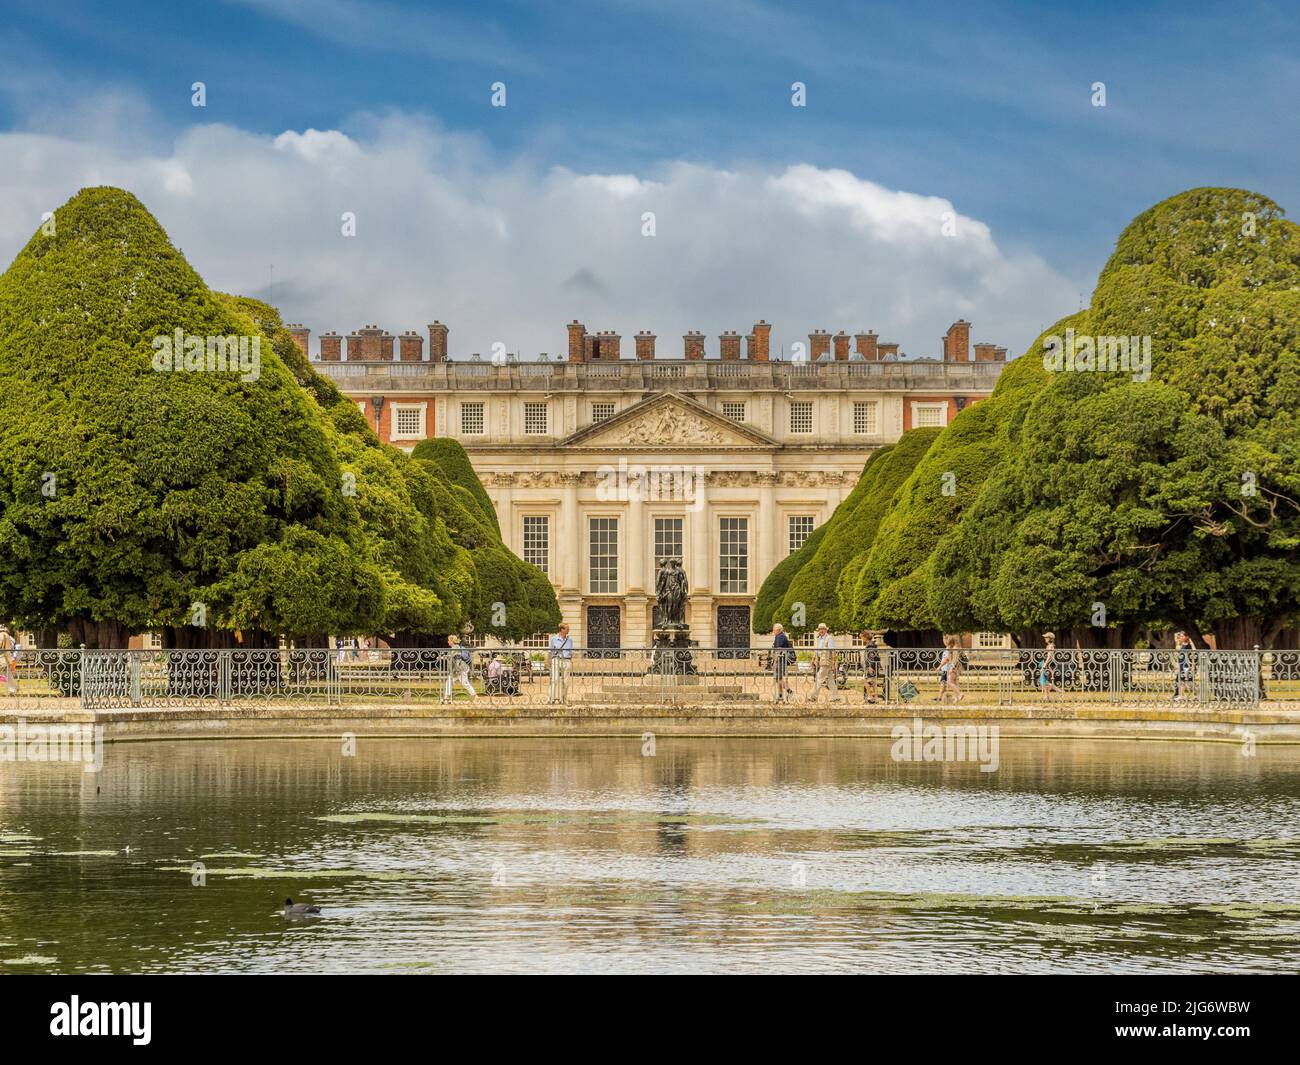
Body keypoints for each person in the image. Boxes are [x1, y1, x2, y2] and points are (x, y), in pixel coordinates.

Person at [810, 623, 842, 702]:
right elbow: (818, 650)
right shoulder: (820, 639)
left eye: (822, 629)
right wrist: (813, 659)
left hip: (826, 662)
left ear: (826, 630)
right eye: (820, 629)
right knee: (830, 680)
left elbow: (833, 651)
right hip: (822, 661)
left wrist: (833, 663)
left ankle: (813, 696)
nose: (821, 630)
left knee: (819, 677)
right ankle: (836, 697)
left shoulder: (829, 638)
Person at [442, 635, 477, 702]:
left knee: (464, 683)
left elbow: (457, 658)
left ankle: (474, 695)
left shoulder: (456, 647)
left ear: (452, 641)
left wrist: (457, 670)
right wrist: (443, 657)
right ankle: (447, 697)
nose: (448, 642)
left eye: (449, 640)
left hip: (460, 669)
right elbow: (452, 657)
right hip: (457, 669)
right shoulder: (454, 648)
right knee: (449, 682)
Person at [548, 623, 573, 704]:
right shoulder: (553, 639)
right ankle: (550, 699)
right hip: (556, 660)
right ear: (562, 630)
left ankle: (564, 699)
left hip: (567, 660)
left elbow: (570, 652)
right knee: (554, 680)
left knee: (566, 681)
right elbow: (550, 652)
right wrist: (549, 662)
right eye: (567, 629)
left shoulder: (570, 640)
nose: (568, 630)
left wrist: (570, 661)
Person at [771, 623, 795, 703]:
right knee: (779, 678)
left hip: (780, 660)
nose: (773, 631)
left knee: (778, 678)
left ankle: (789, 691)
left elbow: (779, 649)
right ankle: (780, 695)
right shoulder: (781, 636)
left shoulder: (780, 636)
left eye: (774, 629)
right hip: (782, 660)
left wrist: (775, 661)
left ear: (778, 630)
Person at [937, 635, 964, 703]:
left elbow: (954, 659)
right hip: (954, 668)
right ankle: (957, 697)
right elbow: (948, 659)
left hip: (952, 668)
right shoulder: (953, 648)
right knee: (954, 683)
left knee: (950, 682)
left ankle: (960, 694)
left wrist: (952, 668)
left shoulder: (953, 649)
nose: (944, 641)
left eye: (946, 640)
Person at [860, 631, 881, 704]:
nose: (861, 639)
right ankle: (876, 698)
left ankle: (870, 696)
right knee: (873, 681)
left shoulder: (870, 645)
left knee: (864, 680)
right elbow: (876, 657)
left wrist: (869, 667)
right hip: (873, 666)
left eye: (862, 637)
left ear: (865, 637)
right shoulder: (872, 644)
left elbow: (871, 657)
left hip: (870, 666)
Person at [1173, 630, 1194, 701]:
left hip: (1186, 665)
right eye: (1180, 636)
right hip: (1181, 665)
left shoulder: (1188, 645)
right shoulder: (1182, 645)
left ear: (1186, 637)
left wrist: (1192, 666)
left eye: (1182, 636)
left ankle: (1181, 696)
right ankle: (1179, 695)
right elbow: (1178, 654)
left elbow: (1191, 656)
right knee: (1184, 681)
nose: (1181, 637)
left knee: (1183, 681)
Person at [0, 625, 16, 692]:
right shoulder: (6, 635)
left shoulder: (2, 635)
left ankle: (13, 689)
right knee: (7, 673)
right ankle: (13, 689)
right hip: (4, 657)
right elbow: (8, 649)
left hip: (2, 657)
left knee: (6, 673)